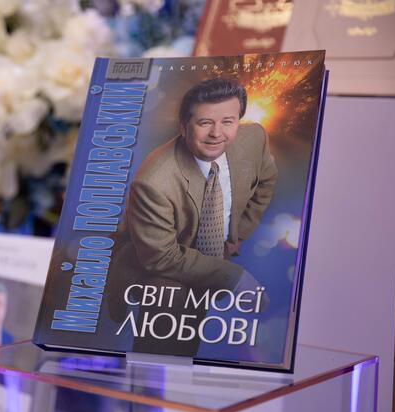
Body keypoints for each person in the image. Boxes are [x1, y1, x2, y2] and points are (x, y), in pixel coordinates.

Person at [109, 78, 277, 354]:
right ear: (183, 126)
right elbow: (162, 257)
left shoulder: (254, 139)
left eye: (228, 121)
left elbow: (266, 181)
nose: (216, 133)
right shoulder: (153, 181)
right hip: (152, 259)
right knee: (169, 302)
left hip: (206, 248)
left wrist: (238, 233)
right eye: (205, 122)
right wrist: (235, 277)